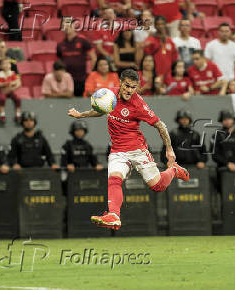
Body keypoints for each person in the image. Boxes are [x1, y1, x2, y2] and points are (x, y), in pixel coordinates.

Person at [67, 69, 190, 230]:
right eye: (127, 86)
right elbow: (101, 110)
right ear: (120, 82)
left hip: (137, 149)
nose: (129, 90)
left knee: (157, 186)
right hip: (118, 150)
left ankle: (173, 170)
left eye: (133, 87)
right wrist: (81, 115)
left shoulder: (139, 104)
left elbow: (161, 125)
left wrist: (169, 149)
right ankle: (114, 215)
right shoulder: (110, 96)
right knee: (114, 178)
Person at [57, 21, 97, 97]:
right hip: (67, 78)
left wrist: (90, 73)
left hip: (81, 78)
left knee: (80, 100)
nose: (66, 28)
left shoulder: (83, 40)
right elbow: (59, 62)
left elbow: (93, 57)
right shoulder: (60, 44)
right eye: (64, 26)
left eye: (68, 26)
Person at [0, 58, 21, 124]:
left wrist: (12, 83)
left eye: (8, 63)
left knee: (17, 99)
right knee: (2, 99)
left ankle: (18, 114)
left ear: (10, 65)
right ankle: (2, 115)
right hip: (3, 91)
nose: (6, 65)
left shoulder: (12, 73)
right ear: (0, 66)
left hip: (10, 90)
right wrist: (4, 84)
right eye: (4, 64)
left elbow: (16, 81)